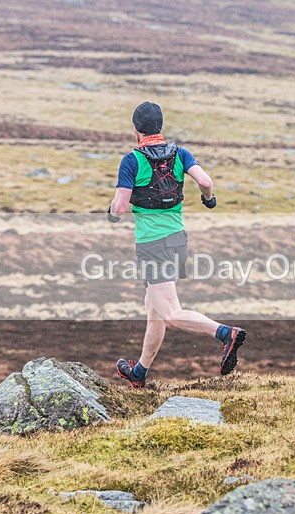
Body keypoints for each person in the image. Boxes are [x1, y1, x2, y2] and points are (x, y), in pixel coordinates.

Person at [108, 101, 246, 387]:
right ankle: (139, 372)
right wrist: (208, 199)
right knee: (154, 308)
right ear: (160, 126)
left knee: (170, 313)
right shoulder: (180, 154)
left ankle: (225, 333)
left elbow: (120, 207)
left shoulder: (132, 161)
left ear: (135, 129)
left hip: (152, 245)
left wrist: (111, 213)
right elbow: (205, 181)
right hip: (177, 239)